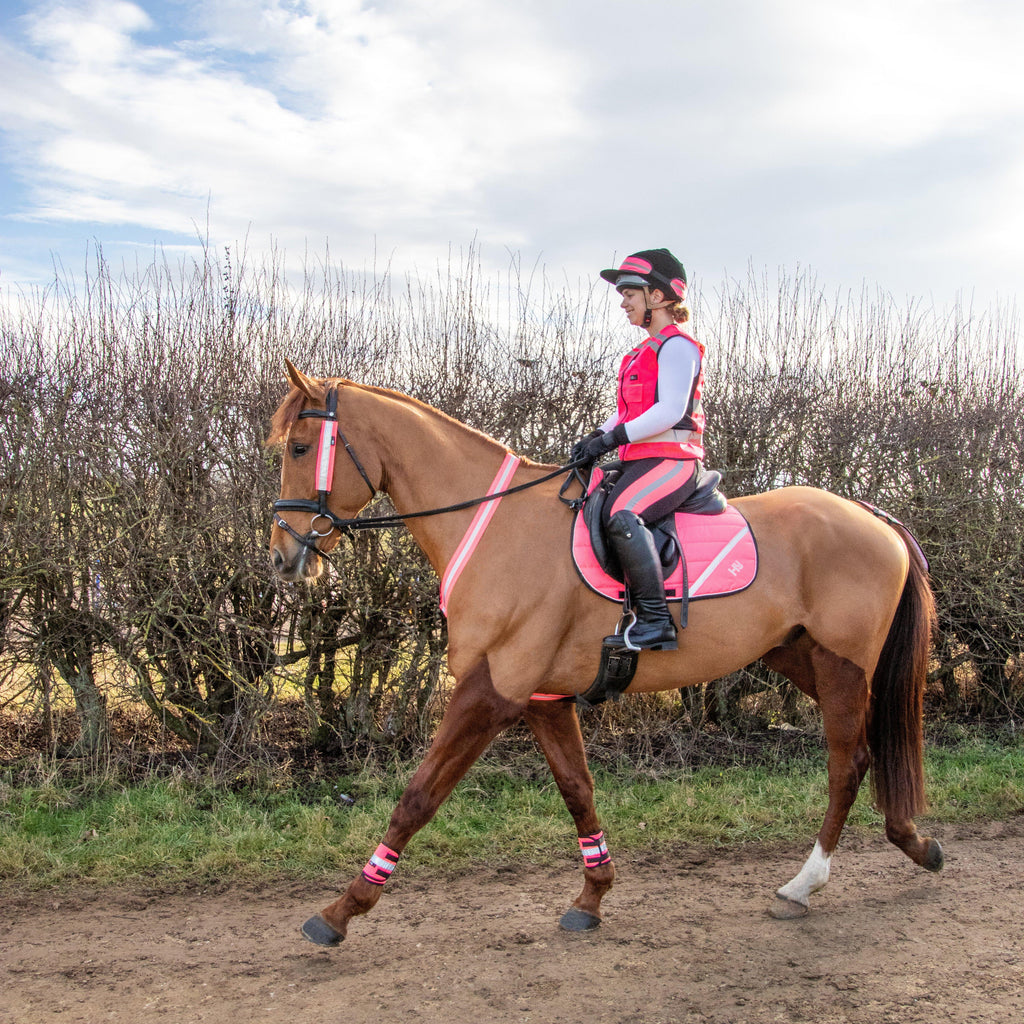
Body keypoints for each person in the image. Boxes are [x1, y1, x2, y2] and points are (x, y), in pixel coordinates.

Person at [570, 248, 706, 651]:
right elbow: (629, 411)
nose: (623, 302)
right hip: (640, 460)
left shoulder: (678, 347)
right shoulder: (639, 353)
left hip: (674, 462)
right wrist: (597, 435)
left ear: (659, 297)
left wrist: (614, 438)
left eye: (631, 293)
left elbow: (669, 410)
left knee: (622, 515)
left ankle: (655, 619)